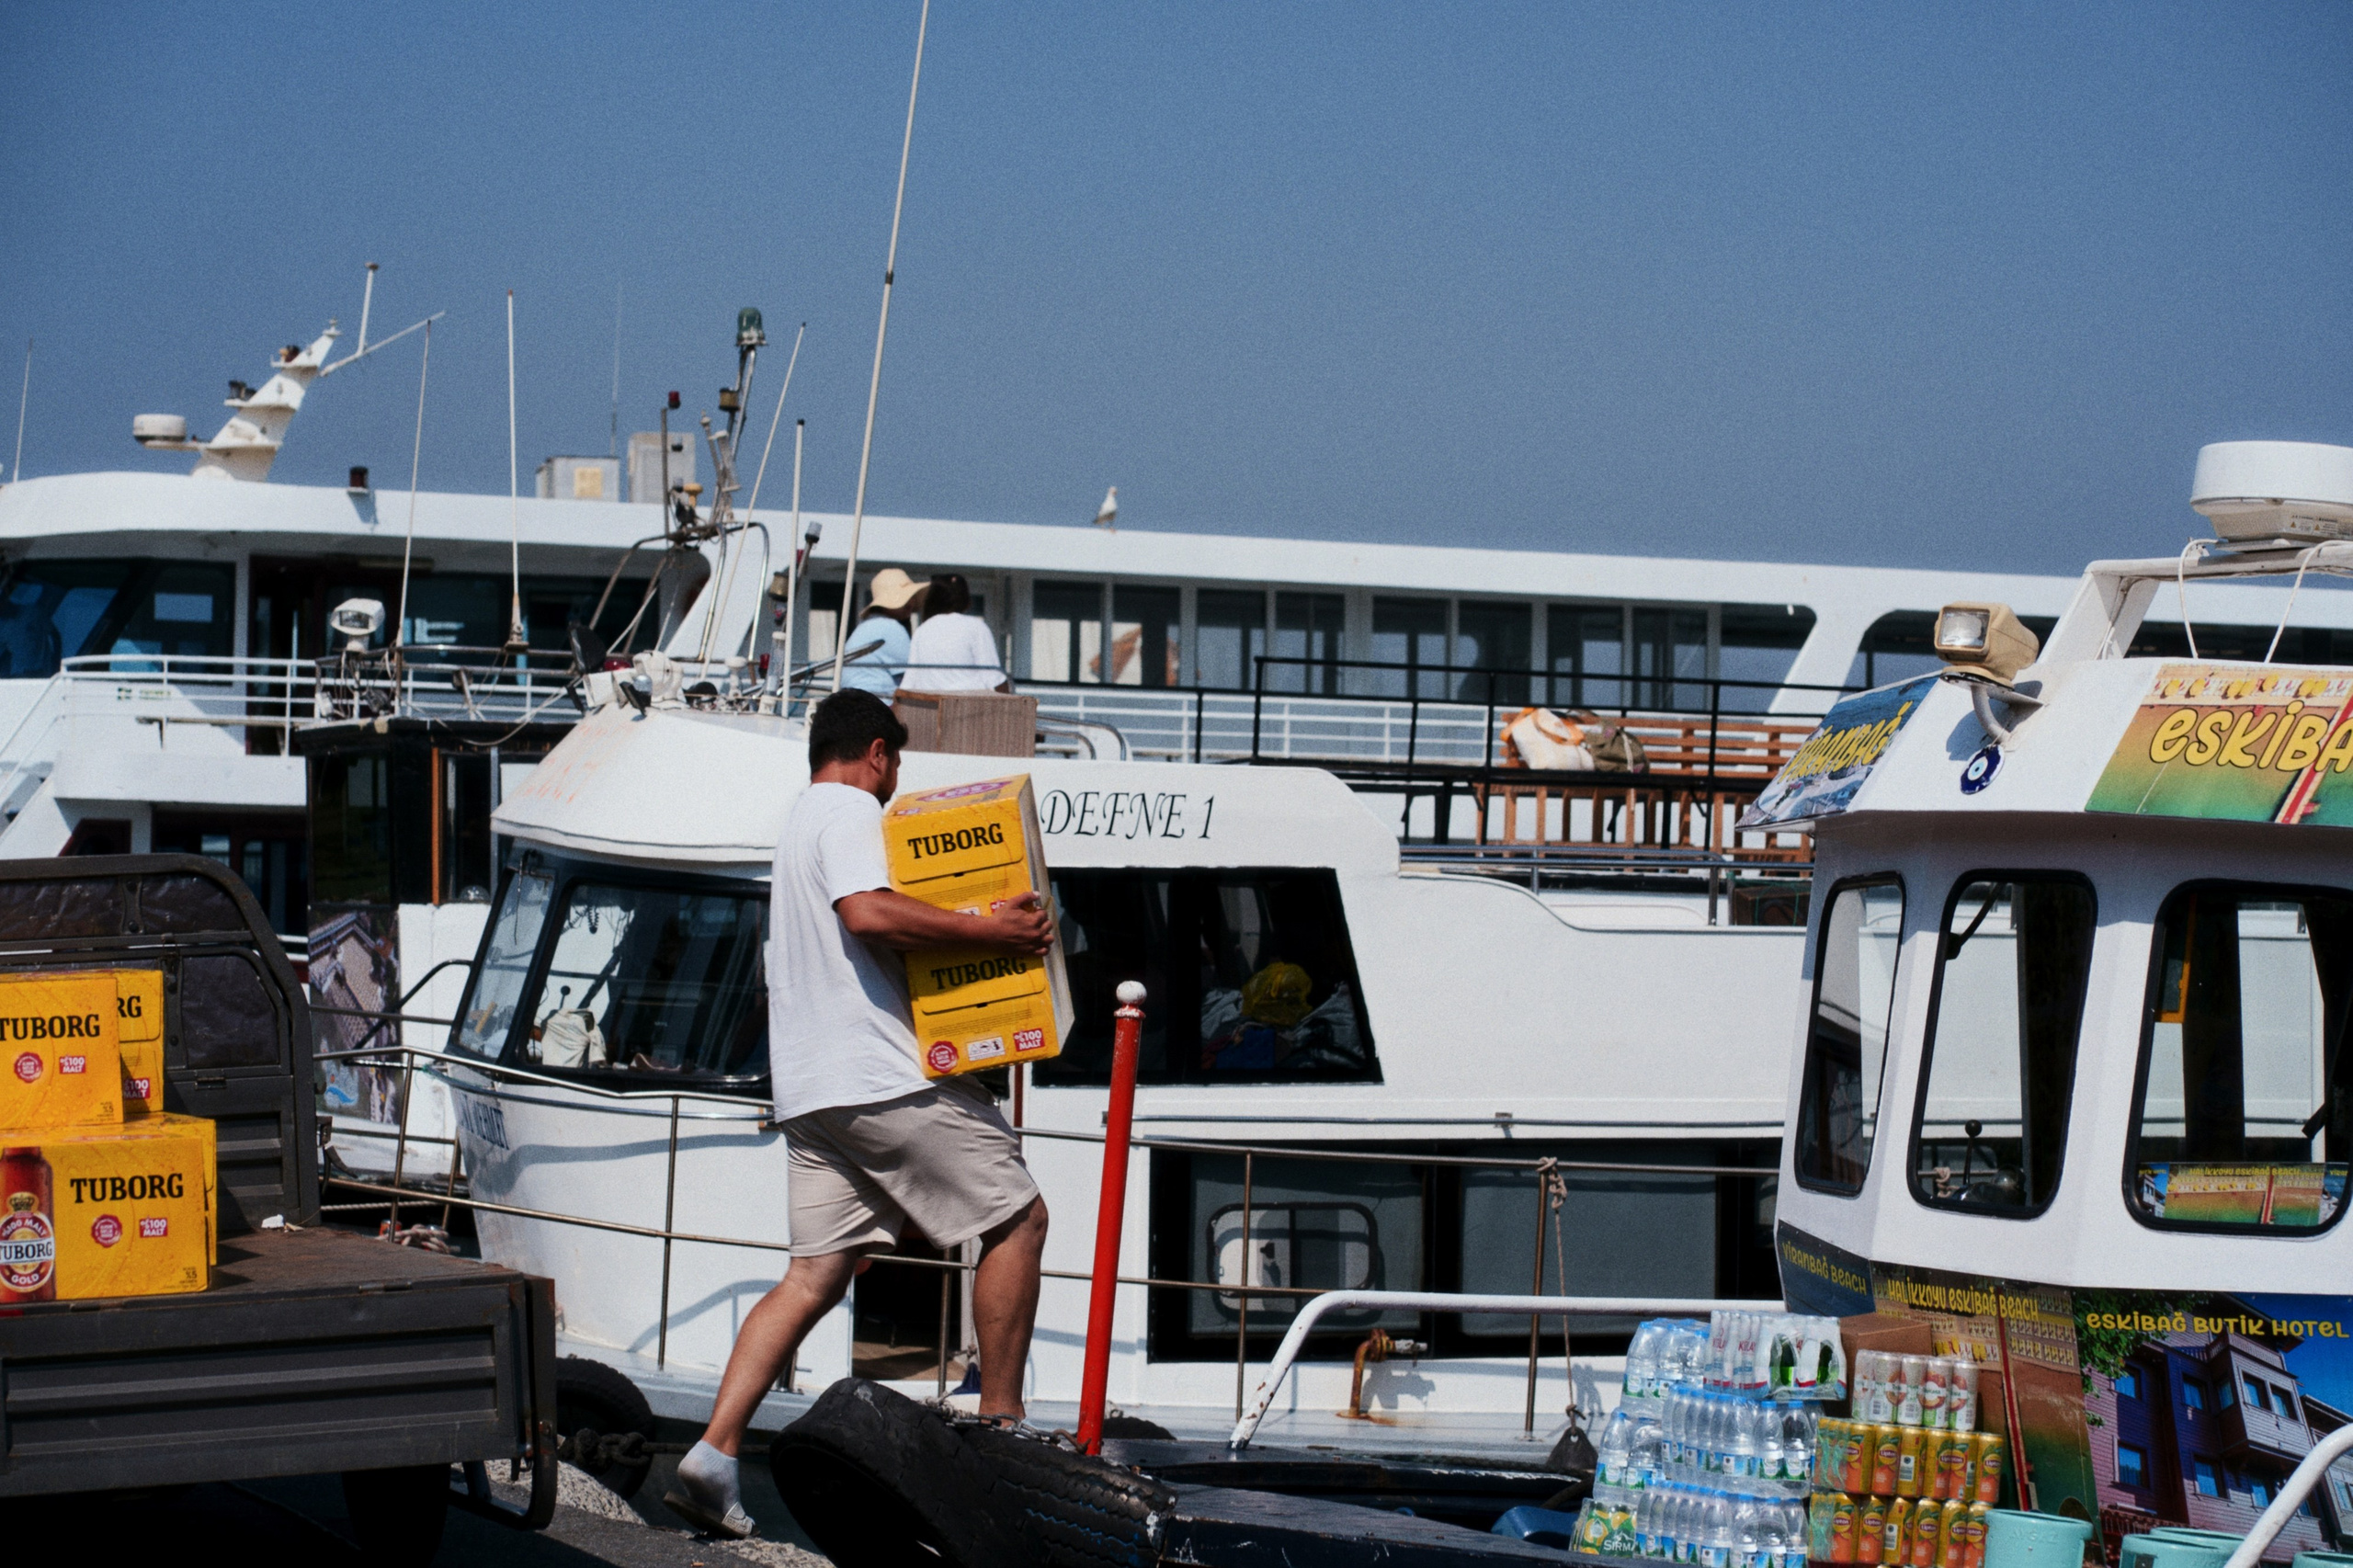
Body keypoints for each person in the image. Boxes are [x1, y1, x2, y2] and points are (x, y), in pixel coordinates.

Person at [664, 688, 1053, 1540]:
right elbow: (867, 913)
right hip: (876, 1077)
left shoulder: (797, 818)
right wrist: (990, 930)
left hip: (808, 1089)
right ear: (876, 753)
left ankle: (713, 1454)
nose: (893, 779)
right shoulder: (847, 811)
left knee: (813, 1276)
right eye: (896, 763)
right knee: (1018, 1219)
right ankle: (1001, 1428)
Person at [901, 572, 1008, 692]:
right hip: (968, 704)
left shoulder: (922, 630)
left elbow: (910, 680)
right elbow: (994, 677)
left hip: (932, 705)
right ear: (966, 601)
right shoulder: (976, 627)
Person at [835, 567, 926, 698]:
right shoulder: (891, 627)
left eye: (911, 597)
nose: (911, 602)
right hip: (877, 702)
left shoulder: (867, 626)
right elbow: (912, 678)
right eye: (906, 598)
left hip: (855, 700)